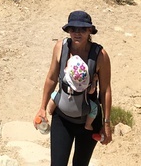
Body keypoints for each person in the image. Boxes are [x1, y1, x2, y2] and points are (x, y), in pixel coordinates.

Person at [35, 10, 112, 166]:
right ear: (68, 30)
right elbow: (51, 78)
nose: (77, 33)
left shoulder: (100, 55)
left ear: (90, 31)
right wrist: (42, 108)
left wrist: (106, 123)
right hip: (62, 119)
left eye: (82, 29)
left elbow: (105, 90)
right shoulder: (60, 47)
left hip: (89, 122)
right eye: (73, 29)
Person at [45, 55, 100, 131]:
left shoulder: (65, 80)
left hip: (62, 106)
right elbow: (92, 91)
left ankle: (50, 110)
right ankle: (88, 124)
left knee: (54, 95)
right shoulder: (85, 86)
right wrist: (94, 80)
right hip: (80, 111)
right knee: (94, 108)